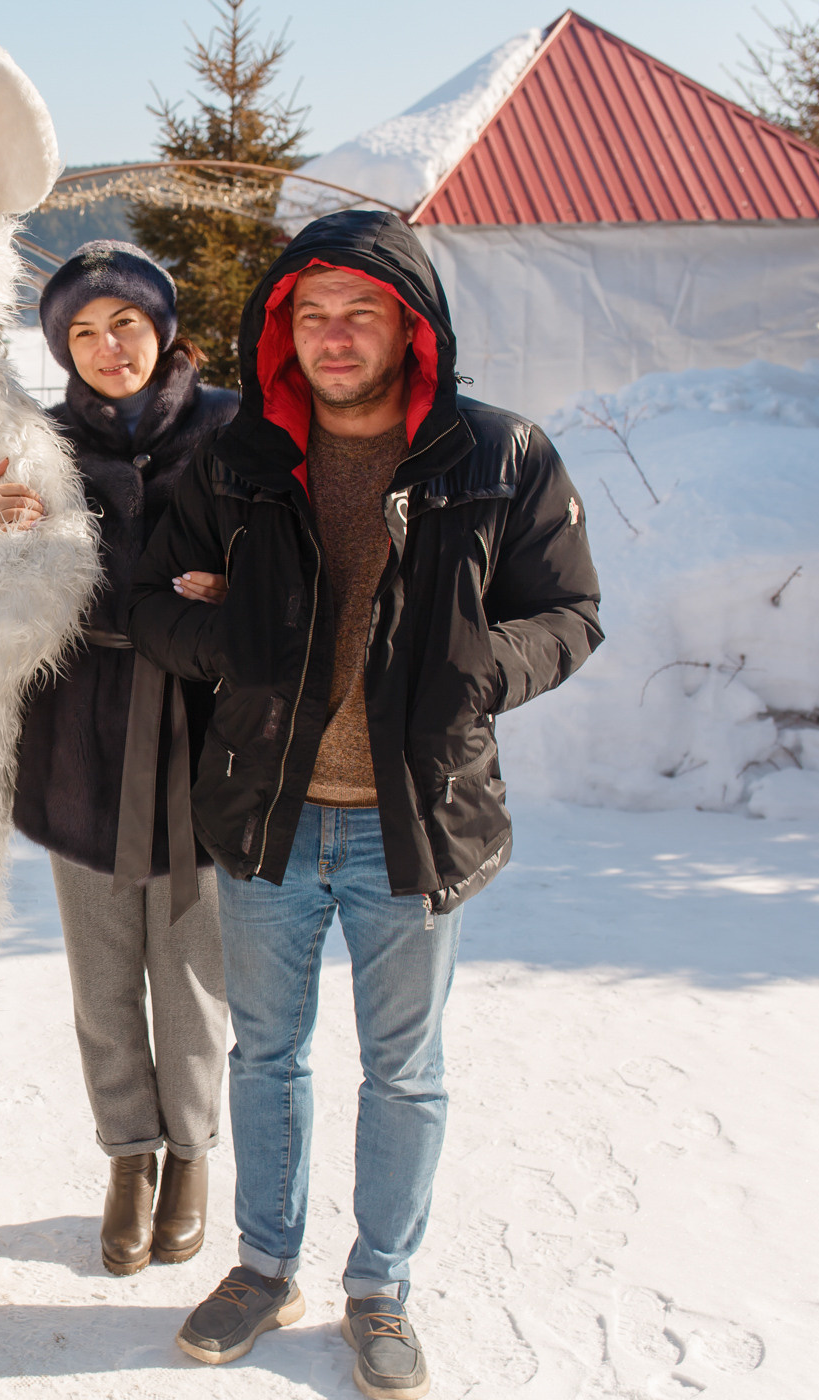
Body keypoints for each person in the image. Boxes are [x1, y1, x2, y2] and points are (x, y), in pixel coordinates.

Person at [127, 210, 602, 1399]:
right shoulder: (236, 459)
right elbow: (144, 601)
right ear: (282, 329)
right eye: (313, 315)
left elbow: (572, 612)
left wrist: (486, 667)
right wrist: (226, 637)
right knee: (267, 1056)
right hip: (268, 813)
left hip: (412, 816)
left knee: (406, 1069)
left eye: (363, 313)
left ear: (414, 326)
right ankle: (262, 1265)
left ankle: (379, 1285)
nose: (335, 338)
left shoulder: (498, 454)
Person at [11, 241, 236, 1277]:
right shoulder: (37, 444)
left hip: (201, 733)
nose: (109, 347)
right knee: (103, 972)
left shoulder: (234, 432)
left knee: (191, 971)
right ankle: (128, 1156)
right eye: (85, 332)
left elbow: (293, 565)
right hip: (77, 737)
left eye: (127, 324)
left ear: (164, 326)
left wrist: (241, 590)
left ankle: (191, 1151)